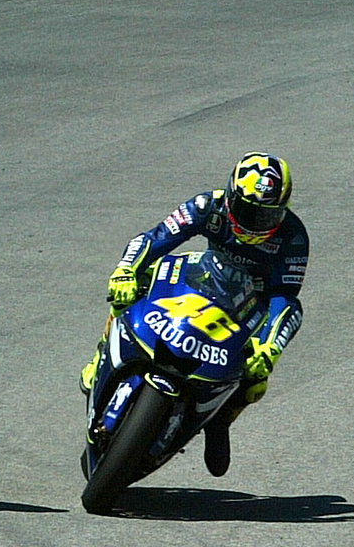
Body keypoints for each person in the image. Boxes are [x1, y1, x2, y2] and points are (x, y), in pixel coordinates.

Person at [80, 152, 309, 477]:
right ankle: (103, 351)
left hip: (247, 304)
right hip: (205, 278)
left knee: (255, 380)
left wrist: (269, 347)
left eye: (266, 216)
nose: (254, 224)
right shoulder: (208, 206)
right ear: (231, 197)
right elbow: (156, 238)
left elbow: (285, 299)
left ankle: (221, 420)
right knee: (132, 287)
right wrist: (125, 270)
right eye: (247, 212)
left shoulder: (294, 238)